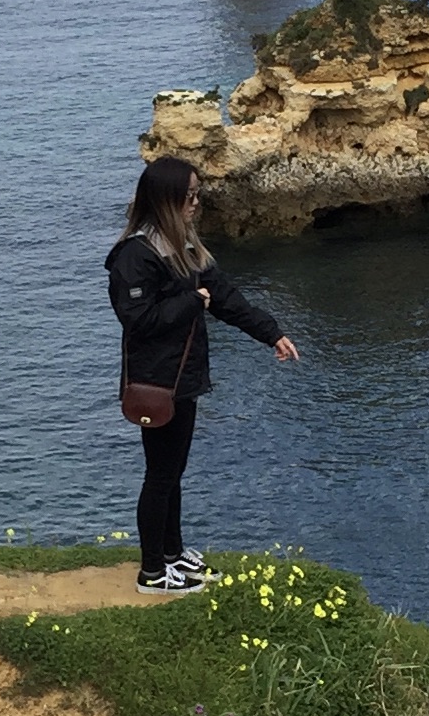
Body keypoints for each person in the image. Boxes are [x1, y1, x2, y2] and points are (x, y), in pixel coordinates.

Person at [108, 154, 299, 592]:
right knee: (160, 474)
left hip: (183, 378)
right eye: (190, 196)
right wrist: (195, 301)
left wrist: (272, 334)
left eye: (198, 194)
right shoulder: (136, 255)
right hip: (156, 381)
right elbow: (139, 320)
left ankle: (172, 555)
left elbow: (227, 299)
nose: (197, 203)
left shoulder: (186, 247)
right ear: (167, 200)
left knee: (173, 471)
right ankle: (152, 571)